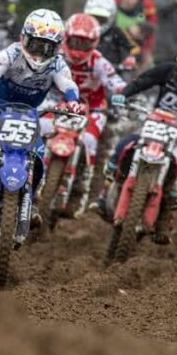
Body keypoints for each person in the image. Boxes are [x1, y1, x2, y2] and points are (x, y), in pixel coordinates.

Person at [0, 9, 82, 222]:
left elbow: (67, 83)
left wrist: (73, 102)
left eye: (47, 47)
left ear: (56, 47)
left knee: (39, 153)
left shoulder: (57, 63)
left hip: (28, 113)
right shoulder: (13, 52)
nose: (40, 53)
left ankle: (33, 202)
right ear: (24, 38)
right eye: (36, 44)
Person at [103, 30, 177, 243]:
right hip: (155, 124)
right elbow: (143, 80)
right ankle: (107, 188)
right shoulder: (167, 70)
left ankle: (165, 220)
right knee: (125, 144)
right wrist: (125, 93)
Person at [45, 13, 125, 212]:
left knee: (89, 140)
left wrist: (123, 94)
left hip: (93, 106)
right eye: (75, 42)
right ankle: (29, 167)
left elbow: (116, 82)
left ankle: (82, 185)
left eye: (84, 44)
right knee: (41, 128)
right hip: (58, 102)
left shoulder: (99, 61)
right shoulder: (55, 54)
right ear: (66, 38)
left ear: (94, 43)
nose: (79, 49)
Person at [84, 0, 138, 73]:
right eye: (94, 17)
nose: (97, 22)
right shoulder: (81, 31)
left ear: (111, 16)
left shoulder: (116, 32)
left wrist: (129, 59)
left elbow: (131, 49)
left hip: (111, 76)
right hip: (82, 74)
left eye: (101, 19)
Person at [114, 0, 155, 66]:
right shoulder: (115, 13)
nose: (134, 0)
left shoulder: (140, 12)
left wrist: (140, 27)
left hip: (139, 54)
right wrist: (128, 30)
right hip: (120, 54)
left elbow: (151, 26)